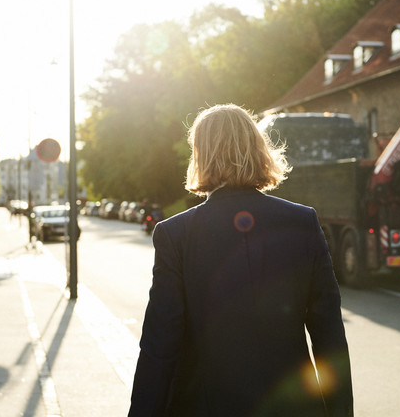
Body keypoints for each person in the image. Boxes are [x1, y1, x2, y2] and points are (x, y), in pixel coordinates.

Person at [129, 104, 353, 417]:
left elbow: (159, 345)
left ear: (201, 155)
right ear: (257, 148)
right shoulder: (302, 222)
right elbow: (328, 331)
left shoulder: (176, 234)